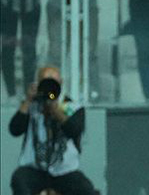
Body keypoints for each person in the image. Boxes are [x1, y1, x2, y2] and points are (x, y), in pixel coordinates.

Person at [9, 66, 97, 194]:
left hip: (65, 171)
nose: (49, 88)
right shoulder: (31, 106)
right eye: (45, 83)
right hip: (35, 170)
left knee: (87, 190)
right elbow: (15, 130)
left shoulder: (72, 107)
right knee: (19, 181)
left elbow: (75, 130)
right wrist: (28, 101)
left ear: (61, 83)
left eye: (53, 83)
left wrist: (55, 110)